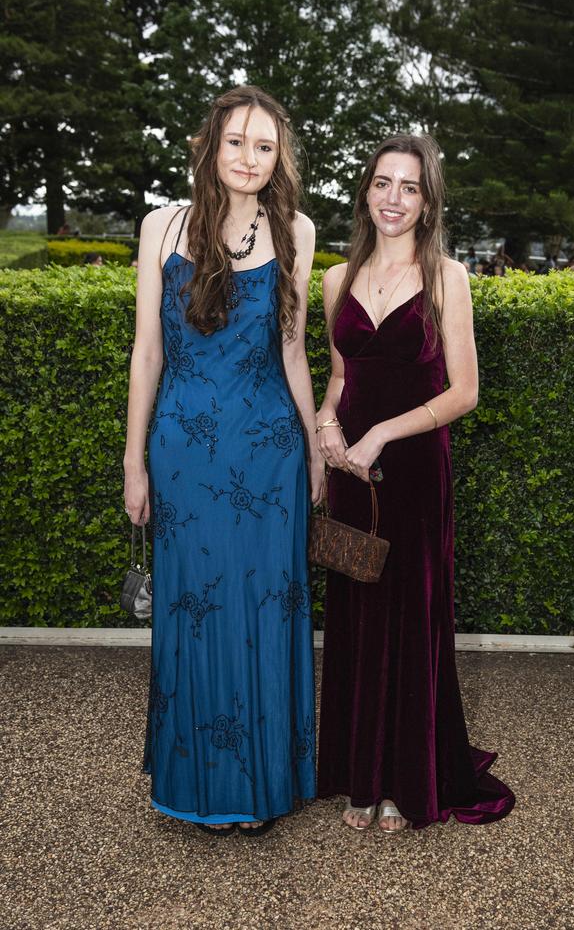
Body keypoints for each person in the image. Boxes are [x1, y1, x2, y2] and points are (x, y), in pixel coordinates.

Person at [123, 85, 321, 838]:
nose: (248, 158)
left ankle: (261, 786)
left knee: (265, 614)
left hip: (268, 452)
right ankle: (198, 786)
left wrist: (312, 450)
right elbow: (147, 353)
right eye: (236, 141)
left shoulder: (296, 228)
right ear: (210, 145)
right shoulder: (160, 226)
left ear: (279, 158)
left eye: (264, 146)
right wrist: (133, 461)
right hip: (181, 451)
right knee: (192, 613)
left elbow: (294, 352)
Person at [316, 133, 515, 833]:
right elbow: (341, 378)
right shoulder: (336, 277)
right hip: (351, 473)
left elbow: (465, 392)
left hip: (412, 471)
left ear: (428, 201)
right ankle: (359, 773)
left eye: (409, 187)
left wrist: (380, 434)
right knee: (356, 615)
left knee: (408, 615)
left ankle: (408, 775)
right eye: (382, 183)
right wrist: (328, 425)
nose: (393, 199)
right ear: (365, 191)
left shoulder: (448, 277)